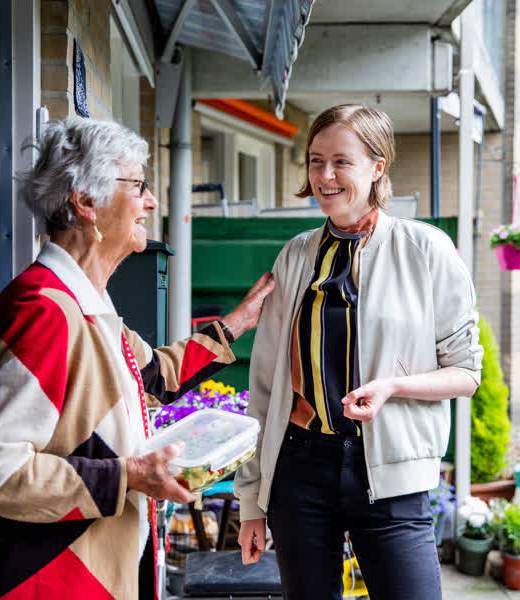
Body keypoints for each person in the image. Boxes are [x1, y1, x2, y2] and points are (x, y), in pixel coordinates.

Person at [0, 117, 274, 599]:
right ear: (85, 202)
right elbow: (2, 470)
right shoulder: (45, 310)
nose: (151, 202)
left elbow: (151, 375)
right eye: (139, 186)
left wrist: (239, 322)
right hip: (56, 581)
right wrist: (127, 476)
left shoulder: (88, 303)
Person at [235, 104, 483, 599]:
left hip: (392, 477)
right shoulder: (295, 255)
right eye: (315, 160)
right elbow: (263, 384)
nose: (325, 175)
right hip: (299, 471)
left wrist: (393, 386)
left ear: (377, 167)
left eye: (341, 162)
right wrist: (250, 504)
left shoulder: (426, 249)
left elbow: (465, 372)